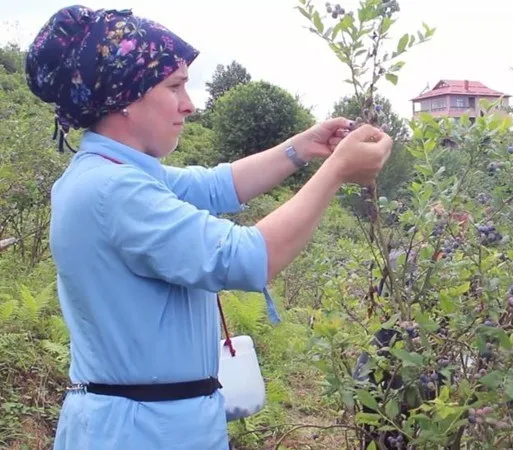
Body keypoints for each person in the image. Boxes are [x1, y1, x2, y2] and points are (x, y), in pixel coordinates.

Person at [24, 5, 393, 450]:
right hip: (140, 432)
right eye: (174, 86)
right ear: (124, 96)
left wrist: (302, 148)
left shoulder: (112, 173)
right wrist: (335, 171)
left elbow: (216, 186)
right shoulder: (112, 190)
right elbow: (248, 259)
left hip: (151, 422)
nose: (189, 104)